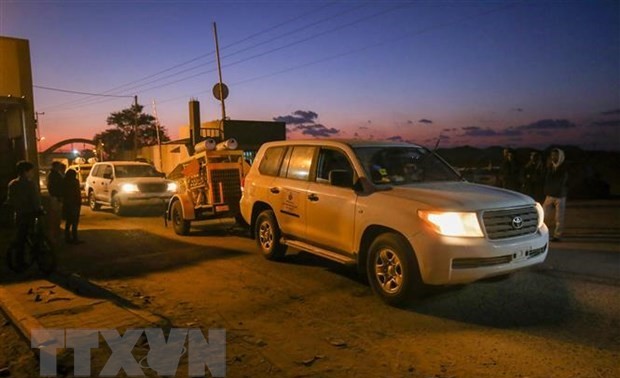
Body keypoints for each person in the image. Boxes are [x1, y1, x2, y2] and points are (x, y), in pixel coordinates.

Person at [6, 161, 42, 268]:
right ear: (26, 172)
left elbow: (10, 200)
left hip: (19, 214)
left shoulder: (12, 184)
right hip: (30, 214)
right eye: (31, 171)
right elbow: (35, 200)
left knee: (21, 238)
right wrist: (39, 209)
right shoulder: (30, 184)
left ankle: (20, 260)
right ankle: (35, 256)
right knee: (35, 234)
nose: (32, 173)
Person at [543, 148, 568, 242]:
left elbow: (560, 181)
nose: (553, 157)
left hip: (560, 195)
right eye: (552, 155)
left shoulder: (564, 168)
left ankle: (558, 235)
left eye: (555, 155)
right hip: (550, 194)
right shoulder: (550, 167)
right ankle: (543, 234)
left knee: (559, 217)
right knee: (543, 215)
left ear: (560, 156)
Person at [62, 169, 83, 244]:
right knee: (74, 222)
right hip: (74, 203)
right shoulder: (75, 182)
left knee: (68, 222)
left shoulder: (64, 182)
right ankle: (75, 238)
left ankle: (67, 238)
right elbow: (77, 193)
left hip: (67, 204)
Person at [46, 161, 64, 242]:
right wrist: (57, 195)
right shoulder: (54, 175)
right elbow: (53, 186)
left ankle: (56, 230)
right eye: (58, 166)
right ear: (55, 166)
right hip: (55, 196)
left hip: (56, 196)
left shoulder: (54, 174)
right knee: (56, 215)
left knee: (57, 214)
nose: (59, 167)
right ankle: (55, 231)